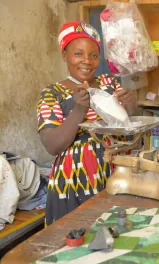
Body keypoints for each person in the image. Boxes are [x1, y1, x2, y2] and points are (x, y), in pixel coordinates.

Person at [37, 21, 136, 226]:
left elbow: (127, 125)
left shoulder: (109, 84)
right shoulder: (52, 94)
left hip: (116, 169)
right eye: (78, 54)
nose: (87, 61)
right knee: (77, 236)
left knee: (118, 232)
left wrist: (129, 105)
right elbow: (52, 145)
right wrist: (79, 110)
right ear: (65, 55)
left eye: (93, 55)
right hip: (77, 178)